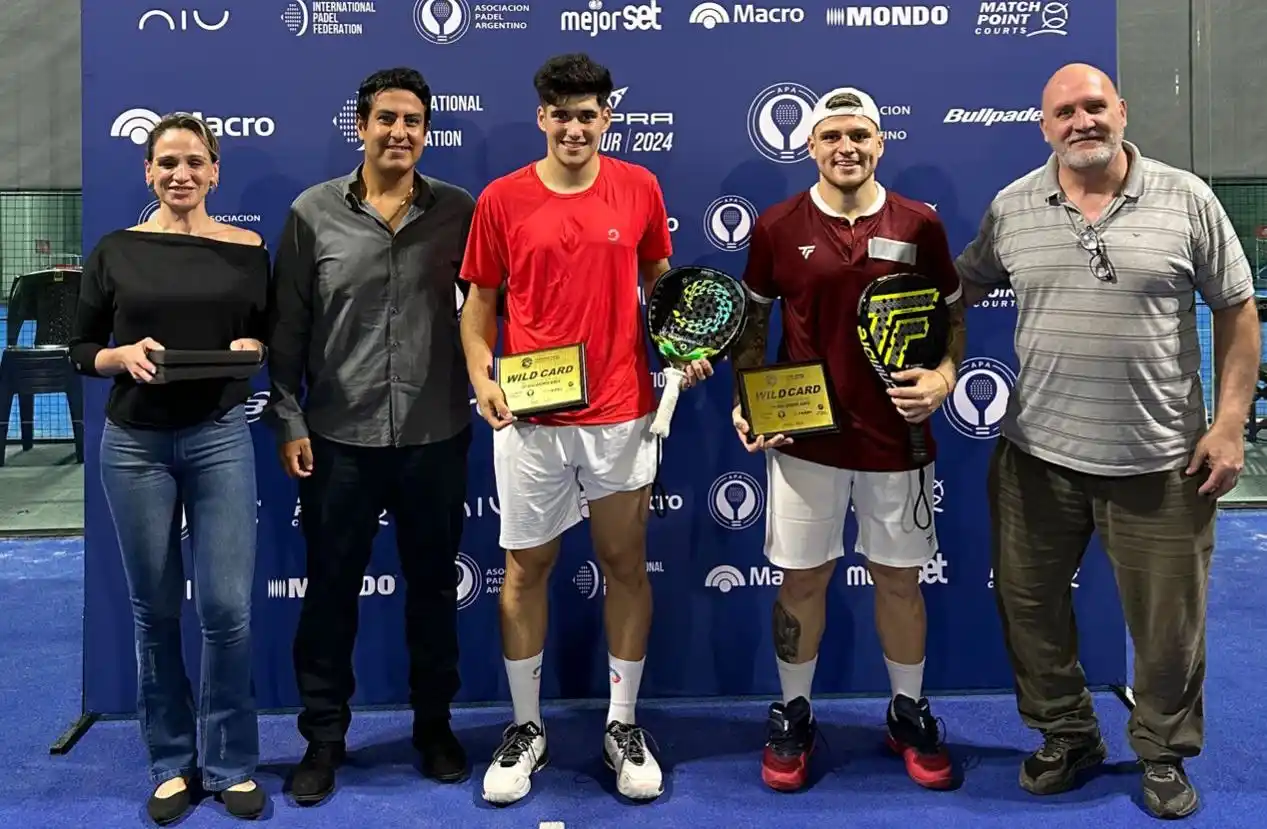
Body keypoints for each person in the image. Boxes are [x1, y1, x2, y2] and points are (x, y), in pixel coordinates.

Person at [954, 63, 1258, 820]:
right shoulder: (1013, 206)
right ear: (1043, 125)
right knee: (1028, 611)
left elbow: (1236, 310)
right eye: (1064, 111)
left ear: (1120, 111)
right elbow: (951, 289)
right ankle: (1067, 734)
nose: (1081, 121)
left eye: (1094, 106)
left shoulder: (1186, 197)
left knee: (1166, 632)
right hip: (1036, 460)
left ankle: (1160, 752)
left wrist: (1226, 425)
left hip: (1161, 465)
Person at [459, 52, 711, 805]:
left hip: (621, 411)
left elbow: (662, 290)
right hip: (532, 415)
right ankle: (527, 727)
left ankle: (621, 723)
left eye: (587, 114)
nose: (574, 127)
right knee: (525, 569)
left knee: (624, 562)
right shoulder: (500, 200)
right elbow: (478, 307)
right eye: (560, 114)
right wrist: (482, 376)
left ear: (608, 117)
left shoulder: (638, 187)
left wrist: (682, 351)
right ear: (541, 118)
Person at [729, 87, 965, 793]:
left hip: (898, 436)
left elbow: (952, 320)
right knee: (801, 579)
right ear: (809, 146)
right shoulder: (776, 225)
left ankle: (907, 710)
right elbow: (751, 325)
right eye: (831, 136)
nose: (845, 148)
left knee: (898, 579)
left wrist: (947, 375)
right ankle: (793, 712)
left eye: (858, 135)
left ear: (879, 143)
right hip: (804, 438)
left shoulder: (919, 224)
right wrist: (748, 399)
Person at [263, 67, 476, 804]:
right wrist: (287, 415)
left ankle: (434, 726)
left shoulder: (460, 211)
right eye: (386, 118)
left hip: (436, 433)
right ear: (360, 125)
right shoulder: (311, 213)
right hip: (337, 440)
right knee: (329, 595)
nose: (399, 132)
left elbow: (494, 313)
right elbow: (285, 331)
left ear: (426, 130)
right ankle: (323, 739)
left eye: (412, 120)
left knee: (431, 594)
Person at [67, 112, 269, 824]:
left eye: (194, 161)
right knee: (154, 611)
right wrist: (117, 358)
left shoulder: (248, 249)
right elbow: (81, 345)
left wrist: (254, 345)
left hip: (218, 436)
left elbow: (266, 335)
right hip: (134, 444)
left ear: (215, 171)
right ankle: (171, 763)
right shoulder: (115, 250)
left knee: (225, 609)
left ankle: (231, 762)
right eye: (166, 162)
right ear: (147, 172)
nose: (180, 174)